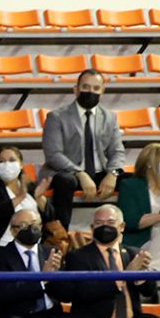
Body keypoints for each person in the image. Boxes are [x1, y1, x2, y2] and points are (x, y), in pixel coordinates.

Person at [41, 69, 124, 228]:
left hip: (100, 173)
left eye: (95, 88)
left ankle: (124, 233)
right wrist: (80, 173)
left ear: (102, 91)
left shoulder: (110, 117)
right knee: (65, 181)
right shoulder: (56, 117)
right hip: (68, 174)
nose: (90, 92)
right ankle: (60, 234)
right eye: (85, 87)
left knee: (133, 180)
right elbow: (54, 154)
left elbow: (117, 152)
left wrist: (113, 173)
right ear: (75, 89)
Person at [118, 142, 160, 272]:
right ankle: (153, 274)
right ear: (149, 164)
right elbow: (130, 222)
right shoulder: (130, 186)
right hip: (142, 241)